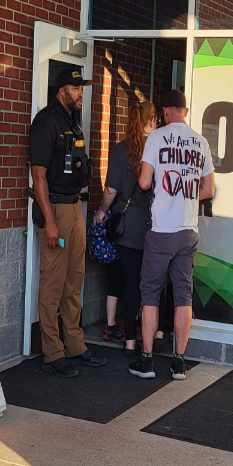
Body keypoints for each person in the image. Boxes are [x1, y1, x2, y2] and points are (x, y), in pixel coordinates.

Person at [129, 89, 214, 381]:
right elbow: (208, 190)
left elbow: (144, 182)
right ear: (185, 112)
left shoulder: (156, 138)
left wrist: (162, 190)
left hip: (161, 230)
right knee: (183, 296)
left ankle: (147, 361)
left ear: (165, 112)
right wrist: (185, 196)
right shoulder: (201, 142)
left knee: (151, 293)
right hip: (188, 230)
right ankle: (179, 363)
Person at [29, 67, 105, 377]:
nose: (80, 92)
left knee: (75, 280)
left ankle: (75, 345)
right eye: (75, 88)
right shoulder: (47, 122)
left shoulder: (73, 122)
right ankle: (52, 353)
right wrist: (50, 222)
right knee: (53, 283)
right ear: (62, 90)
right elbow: (38, 175)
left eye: (81, 88)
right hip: (56, 210)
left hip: (75, 208)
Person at [93, 100, 158, 353]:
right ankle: (152, 333)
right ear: (152, 120)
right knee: (149, 283)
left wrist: (102, 211)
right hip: (154, 226)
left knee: (126, 281)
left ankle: (128, 338)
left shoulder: (122, 149)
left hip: (126, 228)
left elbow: (111, 190)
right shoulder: (158, 149)